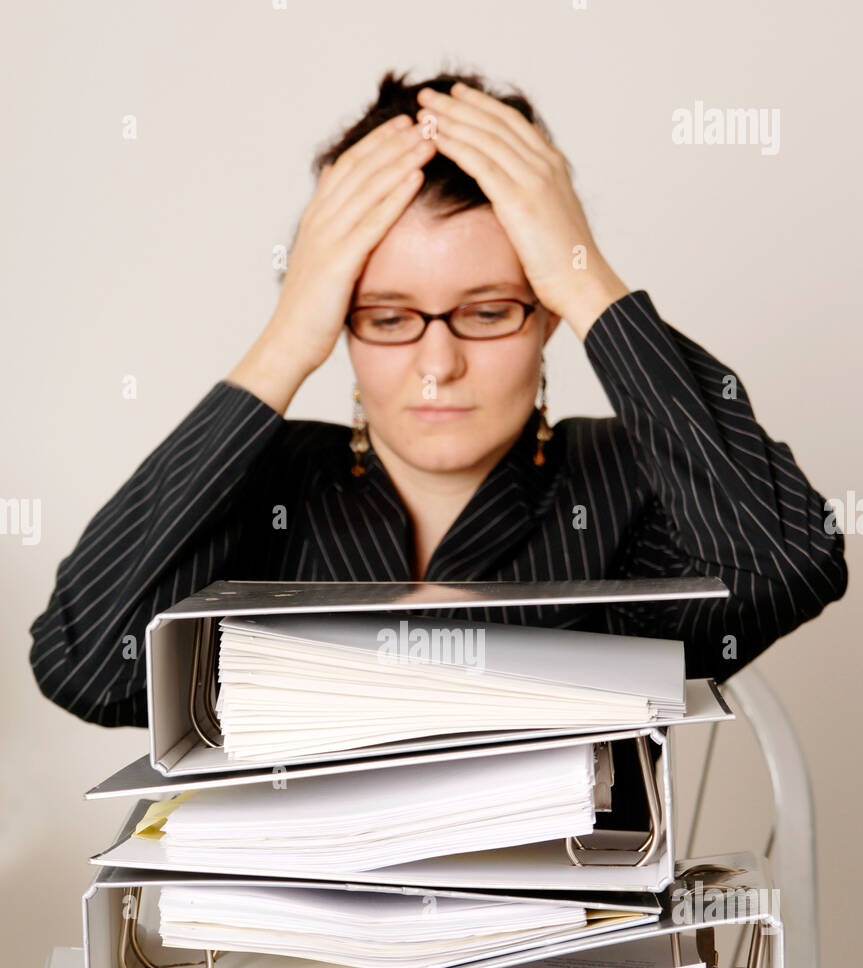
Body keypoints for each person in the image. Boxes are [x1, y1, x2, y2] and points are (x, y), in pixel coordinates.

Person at [28, 68, 847, 731]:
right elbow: (89, 666)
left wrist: (581, 271)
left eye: (488, 311)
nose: (436, 364)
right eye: (386, 317)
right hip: (282, 938)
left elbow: (784, 562)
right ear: (337, 320)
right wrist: (284, 340)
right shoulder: (267, 482)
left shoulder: (627, 481)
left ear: (546, 313)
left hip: (567, 934)